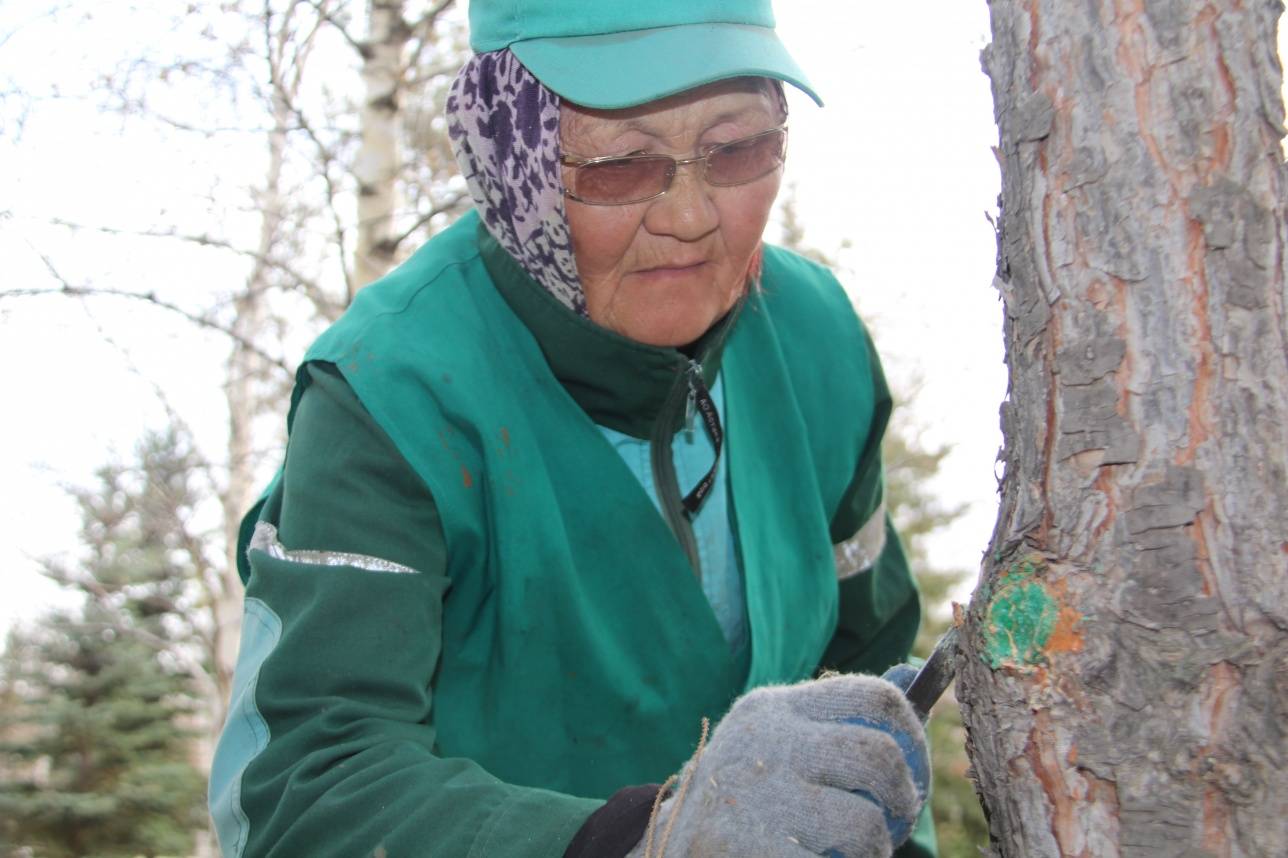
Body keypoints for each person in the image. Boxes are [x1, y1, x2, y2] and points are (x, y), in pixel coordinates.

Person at [208, 1, 938, 855]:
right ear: (510, 156)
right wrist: (644, 841)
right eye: (624, 164)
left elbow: (873, 677)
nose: (693, 216)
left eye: (737, 148)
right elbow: (305, 787)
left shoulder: (818, 340)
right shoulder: (392, 393)